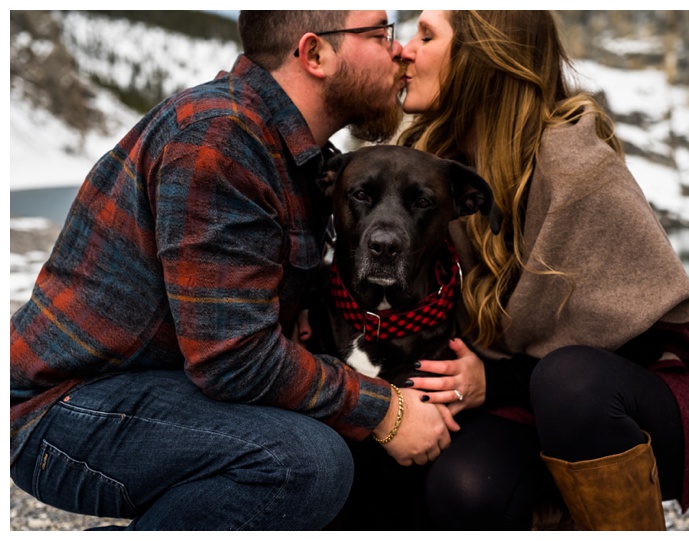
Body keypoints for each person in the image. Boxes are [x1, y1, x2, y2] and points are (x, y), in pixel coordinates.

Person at [10, 10, 458, 531]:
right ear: (315, 54)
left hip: (153, 386)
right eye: (382, 34)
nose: (399, 50)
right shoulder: (218, 139)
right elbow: (234, 361)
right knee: (303, 464)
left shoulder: (300, 156)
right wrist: (387, 410)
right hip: (63, 412)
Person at [384, 10, 689, 530]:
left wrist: (494, 381)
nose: (402, 49)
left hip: (645, 388)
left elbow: (638, 341)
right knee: (464, 488)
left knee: (571, 386)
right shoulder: (433, 165)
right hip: (523, 394)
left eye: (426, 36)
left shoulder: (574, 165)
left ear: (483, 57)